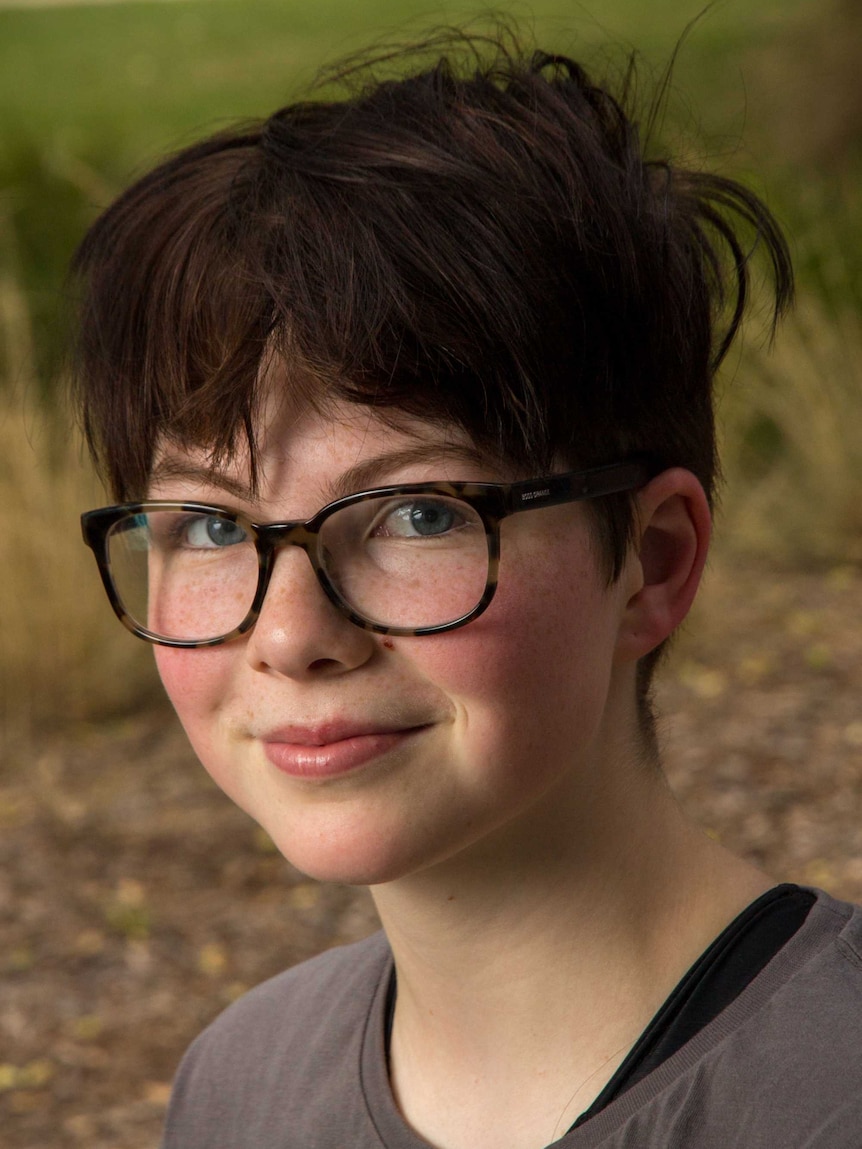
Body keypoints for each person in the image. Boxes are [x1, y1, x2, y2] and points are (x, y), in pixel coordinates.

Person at [71, 26, 862, 1149]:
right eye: (207, 523)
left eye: (418, 513)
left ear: (653, 561)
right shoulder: (241, 1088)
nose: (293, 635)